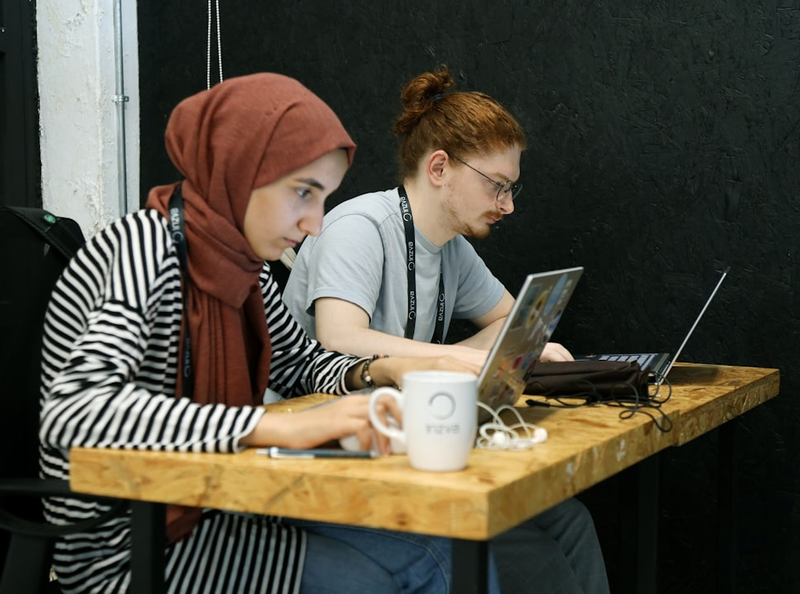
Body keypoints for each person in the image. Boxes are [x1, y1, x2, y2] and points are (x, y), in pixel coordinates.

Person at [38, 73, 494, 594]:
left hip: (222, 507)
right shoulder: (142, 248)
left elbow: (300, 363)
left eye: (322, 199)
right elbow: (74, 410)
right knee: (369, 580)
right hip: (127, 543)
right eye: (302, 193)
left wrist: (379, 370)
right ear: (239, 169)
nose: (314, 224)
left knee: (447, 551)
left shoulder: (243, 267)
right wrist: (272, 427)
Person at [283, 65, 611, 594]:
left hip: (409, 442)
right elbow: (338, 339)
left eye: (511, 188)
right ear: (440, 167)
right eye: (497, 186)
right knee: (530, 551)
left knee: (570, 521)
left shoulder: (452, 247)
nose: (507, 205)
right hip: (337, 453)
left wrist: (500, 349)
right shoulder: (359, 225)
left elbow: (510, 320)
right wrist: (451, 361)